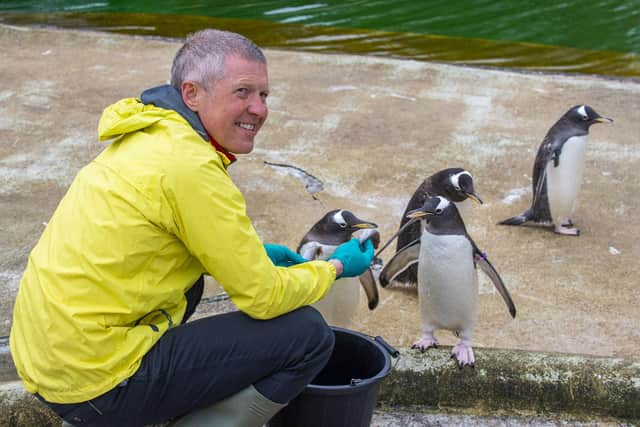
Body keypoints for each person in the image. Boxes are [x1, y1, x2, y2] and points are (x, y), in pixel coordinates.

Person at [9, 29, 375, 427]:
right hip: (95, 380)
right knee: (308, 335)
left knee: (196, 286)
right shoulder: (192, 167)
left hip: (49, 359)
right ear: (191, 93)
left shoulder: (148, 135)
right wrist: (335, 267)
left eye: (264, 95)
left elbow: (147, 243)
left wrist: (252, 258)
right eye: (242, 92)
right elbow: (264, 298)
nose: (259, 109)